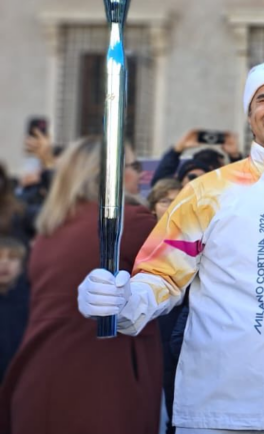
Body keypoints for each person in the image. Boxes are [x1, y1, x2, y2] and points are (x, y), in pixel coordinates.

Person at [74, 59, 264, 434]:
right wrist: (122, 301)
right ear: (249, 111)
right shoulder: (206, 191)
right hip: (214, 409)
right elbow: (162, 276)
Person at [0, 137, 162, 434]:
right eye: (133, 166)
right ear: (109, 174)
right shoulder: (130, 222)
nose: (140, 174)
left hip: (36, 376)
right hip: (104, 381)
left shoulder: (51, 228)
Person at [153, 129, 243, 185]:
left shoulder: (223, 195)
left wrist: (177, 149)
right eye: (192, 176)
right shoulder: (176, 197)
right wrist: (234, 157)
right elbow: (160, 186)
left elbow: (243, 185)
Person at [0, 237, 28, 383]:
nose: (4, 263)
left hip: (22, 380)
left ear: (22, 267)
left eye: (12, 258)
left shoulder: (31, 300)